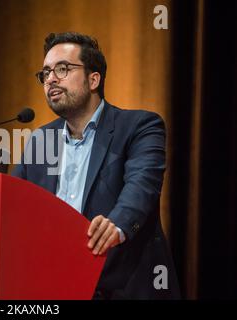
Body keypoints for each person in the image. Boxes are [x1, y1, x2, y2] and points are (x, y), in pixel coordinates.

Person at [12, 32, 180, 299]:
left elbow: (142, 186)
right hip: (54, 288)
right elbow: (14, 204)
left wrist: (117, 224)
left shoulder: (139, 126)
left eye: (62, 69)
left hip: (122, 286)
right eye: (45, 73)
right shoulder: (40, 141)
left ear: (94, 79)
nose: (51, 79)